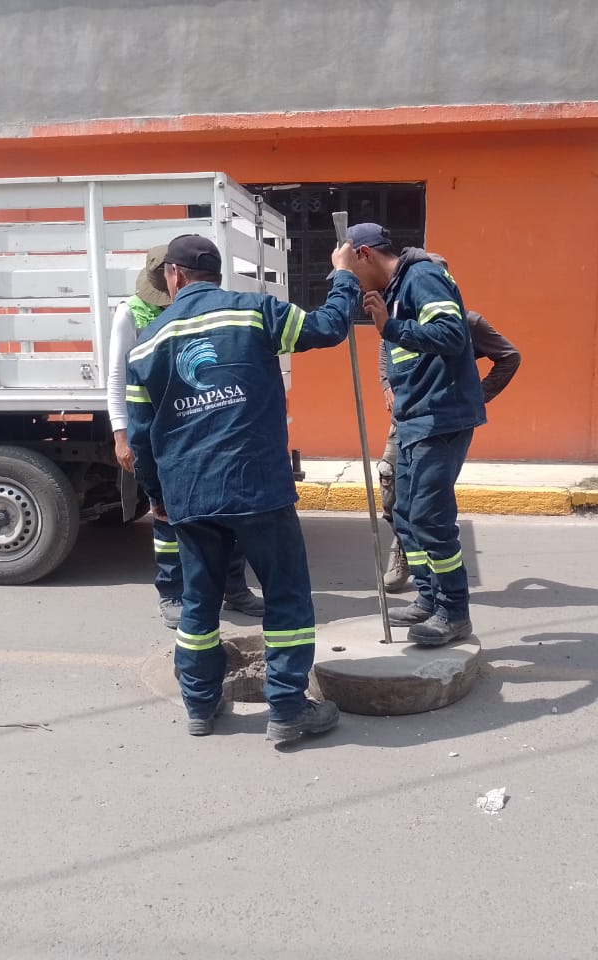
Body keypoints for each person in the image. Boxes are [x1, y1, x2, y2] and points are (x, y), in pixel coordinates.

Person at [126, 234, 362, 743]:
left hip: (189, 494)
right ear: (214, 273)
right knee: (287, 596)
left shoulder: (146, 344)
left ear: (174, 276)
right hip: (257, 486)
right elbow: (329, 326)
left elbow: (141, 436)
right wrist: (343, 276)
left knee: (198, 603)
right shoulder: (254, 312)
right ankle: (287, 709)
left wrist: (157, 497)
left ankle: (200, 704)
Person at [107, 244, 264, 628]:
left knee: (228, 511)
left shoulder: (205, 306)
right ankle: (172, 592)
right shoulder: (133, 313)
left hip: (206, 423)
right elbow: (117, 377)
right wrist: (121, 436)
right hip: (162, 430)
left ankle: (233, 587)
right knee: (166, 516)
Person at [347, 223, 485, 646]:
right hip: (413, 418)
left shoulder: (421, 277)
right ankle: (429, 596)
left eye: (351, 267)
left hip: (439, 418)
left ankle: (454, 612)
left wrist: (391, 327)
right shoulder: (395, 290)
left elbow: (450, 334)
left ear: (366, 254)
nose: (351, 279)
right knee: (405, 513)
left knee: (430, 516)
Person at [377, 251, 521, 591]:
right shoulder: (401, 313)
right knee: (394, 497)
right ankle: (410, 557)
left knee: (427, 508)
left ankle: (441, 595)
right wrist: (387, 385)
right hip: (405, 418)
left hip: (438, 419)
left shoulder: (466, 323)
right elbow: (386, 351)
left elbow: (509, 357)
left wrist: (476, 395)